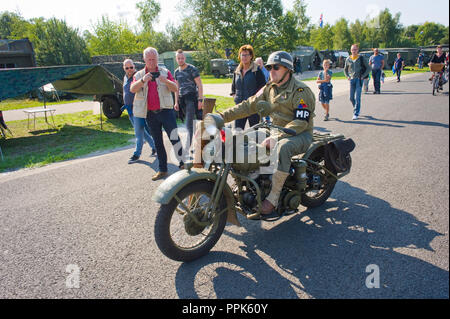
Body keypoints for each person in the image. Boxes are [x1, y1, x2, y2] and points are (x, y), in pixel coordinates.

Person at [220, 51, 316, 218]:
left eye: (276, 67)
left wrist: (277, 137)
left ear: (288, 69)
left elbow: (301, 122)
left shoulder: (301, 91)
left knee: (283, 148)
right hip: (274, 130)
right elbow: (248, 105)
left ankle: (273, 197)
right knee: (239, 139)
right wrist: (221, 116)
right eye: (269, 67)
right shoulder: (269, 88)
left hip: (299, 134)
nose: (271, 70)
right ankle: (245, 181)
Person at [130, 47, 184, 181]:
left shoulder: (165, 72)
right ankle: (163, 169)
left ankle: (184, 165)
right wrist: (143, 80)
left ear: (157, 59)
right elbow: (132, 89)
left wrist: (164, 80)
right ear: (144, 59)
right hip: (150, 114)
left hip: (166, 111)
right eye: (149, 59)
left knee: (174, 138)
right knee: (158, 143)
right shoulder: (139, 75)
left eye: (154, 59)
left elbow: (175, 88)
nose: (152, 62)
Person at [122, 59, 156, 164]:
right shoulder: (125, 77)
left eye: (131, 67)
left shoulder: (137, 77)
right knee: (142, 132)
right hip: (129, 109)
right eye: (127, 68)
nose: (129, 70)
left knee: (138, 133)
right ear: (124, 68)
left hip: (137, 109)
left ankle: (136, 154)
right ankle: (155, 146)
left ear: (134, 67)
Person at [231, 45, 267, 131]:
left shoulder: (256, 70)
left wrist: (256, 100)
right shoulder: (237, 70)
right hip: (239, 107)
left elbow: (263, 88)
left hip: (253, 107)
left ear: (251, 56)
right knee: (237, 131)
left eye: (246, 55)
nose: (244, 57)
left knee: (254, 133)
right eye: (242, 55)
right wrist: (235, 97)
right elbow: (233, 88)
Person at [174, 49, 204, 146]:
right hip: (182, 100)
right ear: (176, 59)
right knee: (192, 123)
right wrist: (176, 102)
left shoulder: (192, 69)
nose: (180, 60)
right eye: (178, 58)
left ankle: (188, 147)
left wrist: (200, 100)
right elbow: (176, 88)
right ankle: (198, 142)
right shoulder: (176, 72)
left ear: (185, 58)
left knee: (188, 124)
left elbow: (199, 85)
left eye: (182, 58)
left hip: (192, 99)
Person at [344, 44, 371, 120]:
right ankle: (356, 107)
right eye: (352, 49)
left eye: (355, 49)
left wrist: (363, 76)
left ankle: (356, 113)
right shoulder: (348, 59)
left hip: (359, 80)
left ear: (357, 50)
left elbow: (369, 68)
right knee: (351, 98)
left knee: (357, 97)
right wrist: (347, 76)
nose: (354, 51)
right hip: (352, 80)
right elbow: (345, 69)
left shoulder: (361, 58)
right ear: (350, 50)